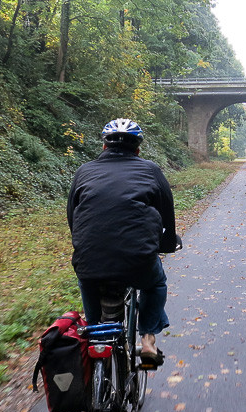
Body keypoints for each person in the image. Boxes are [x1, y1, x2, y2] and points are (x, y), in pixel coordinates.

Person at [66, 118, 179, 365]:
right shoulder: (150, 170)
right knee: (156, 283)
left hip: (89, 258)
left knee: (88, 281)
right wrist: (168, 243)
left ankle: (94, 336)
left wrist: (84, 243)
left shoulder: (84, 171)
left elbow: (72, 216)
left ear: (104, 147)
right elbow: (167, 214)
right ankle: (147, 339)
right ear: (138, 149)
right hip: (137, 260)